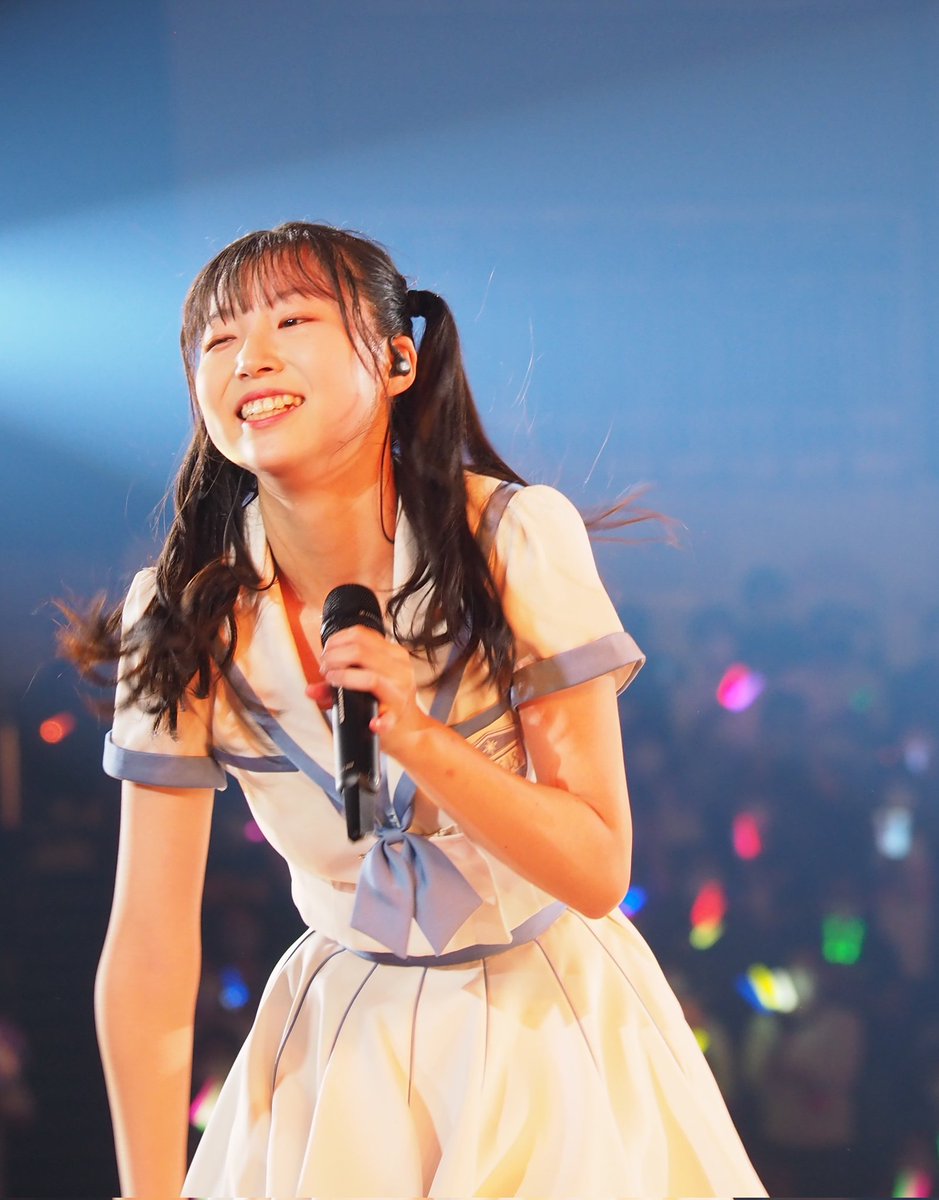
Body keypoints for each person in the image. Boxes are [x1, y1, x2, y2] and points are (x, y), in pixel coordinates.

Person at [67, 222, 766, 1197]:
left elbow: (598, 867)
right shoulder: (183, 611)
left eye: (292, 320)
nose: (250, 357)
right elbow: (148, 949)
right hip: (341, 1047)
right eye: (218, 340)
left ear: (398, 360)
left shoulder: (512, 538)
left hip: (551, 1027)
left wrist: (420, 738)